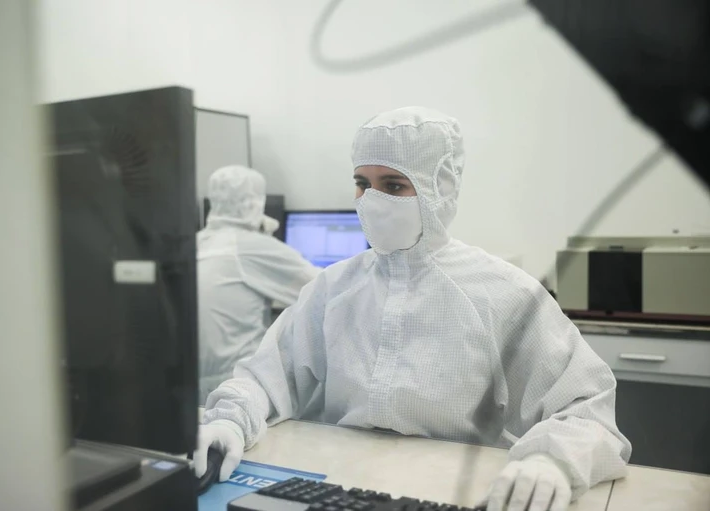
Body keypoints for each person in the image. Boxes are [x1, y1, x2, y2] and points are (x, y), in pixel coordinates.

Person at [195, 109, 631, 511]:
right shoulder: (334, 287)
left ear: (439, 188)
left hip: (455, 490)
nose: (371, 200)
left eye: (393, 186)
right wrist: (230, 421)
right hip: (339, 483)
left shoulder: (504, 293)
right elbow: (268, 376)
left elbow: (586, 411)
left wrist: (551, 461)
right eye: (362, 183)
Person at [197, 165, 320, 403]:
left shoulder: (197, 242)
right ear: (256, 203)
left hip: (190, 387)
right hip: (238, 386)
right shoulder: (253, 246)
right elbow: (326, 289)